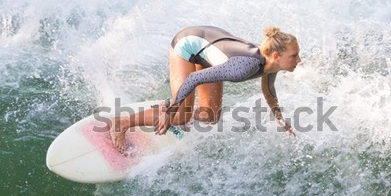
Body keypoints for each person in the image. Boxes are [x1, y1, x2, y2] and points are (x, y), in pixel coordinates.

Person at [110, 25, 301, 153]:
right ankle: (122, 123)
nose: (298, 60)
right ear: (276, 56)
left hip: (208, 52)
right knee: (180, 116)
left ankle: (166, 107)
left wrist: (279, 119)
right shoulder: (243, 68)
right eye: (294, 56)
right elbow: (194, 78)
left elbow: (268, 90)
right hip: (188, 45)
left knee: (210, 116)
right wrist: (172, 113)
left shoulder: (269, 64)